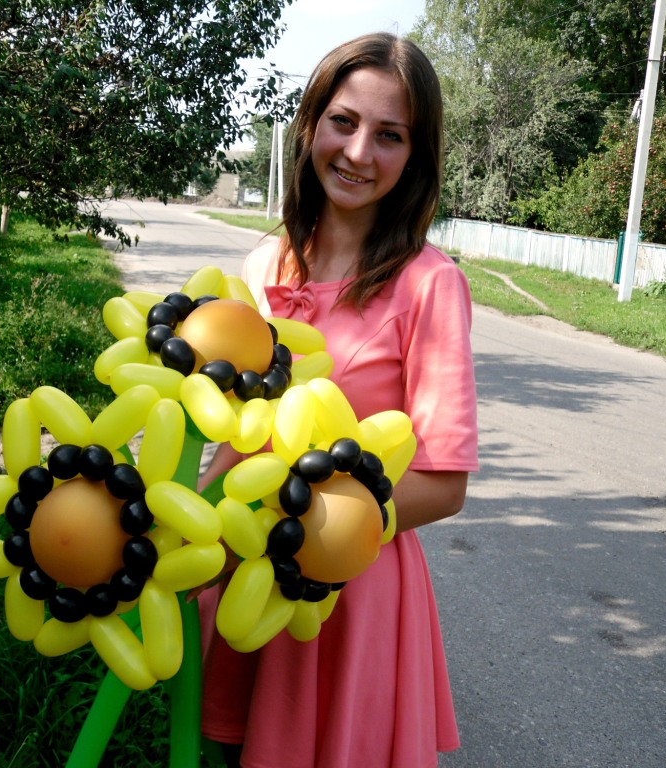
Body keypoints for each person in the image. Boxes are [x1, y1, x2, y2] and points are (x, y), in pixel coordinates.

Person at [197, 31, 479, 768]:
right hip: (244, 578)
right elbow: (238, 437)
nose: (358, 153)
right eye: (344, 122)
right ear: (310, 125)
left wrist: (296, 533)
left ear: (416, 156)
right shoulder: (265, 263)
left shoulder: (429, 284)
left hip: (347, 587)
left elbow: (443, 483)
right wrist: (193, 530)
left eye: (390, 135)